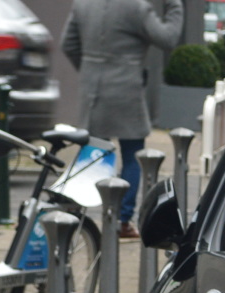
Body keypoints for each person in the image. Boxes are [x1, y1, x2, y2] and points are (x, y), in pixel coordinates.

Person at [61, 0, 183, 239]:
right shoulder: (136, 7)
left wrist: (89, 70)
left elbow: (68, 44)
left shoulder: (83, 5)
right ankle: (121, 220)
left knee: (93, 154)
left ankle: (74, 212)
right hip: (126, 89)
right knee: (132, 157)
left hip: (92, 90)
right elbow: (168, 38)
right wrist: (175, 6)